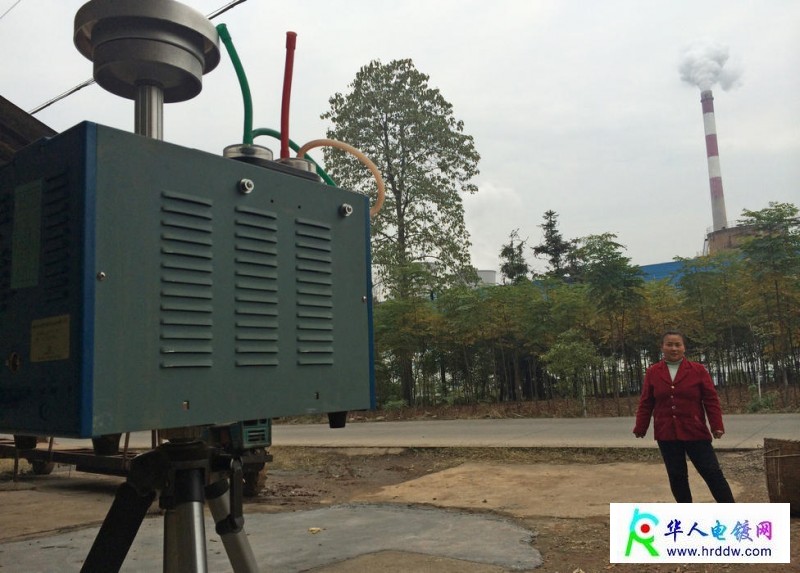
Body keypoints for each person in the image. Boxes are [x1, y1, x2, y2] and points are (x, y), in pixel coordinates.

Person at [633, 330, 735, 503]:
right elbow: (646, 401)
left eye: (677, 345)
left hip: (695, 431)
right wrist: (640, 427)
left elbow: (711, 400)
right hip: (667, 434)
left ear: (684, 348)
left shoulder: (698, 370)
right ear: (662, 347)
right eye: (669, 345)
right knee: (677, 476)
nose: (674, 348)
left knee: (712, 473)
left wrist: (717, 425)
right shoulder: (653, 372)